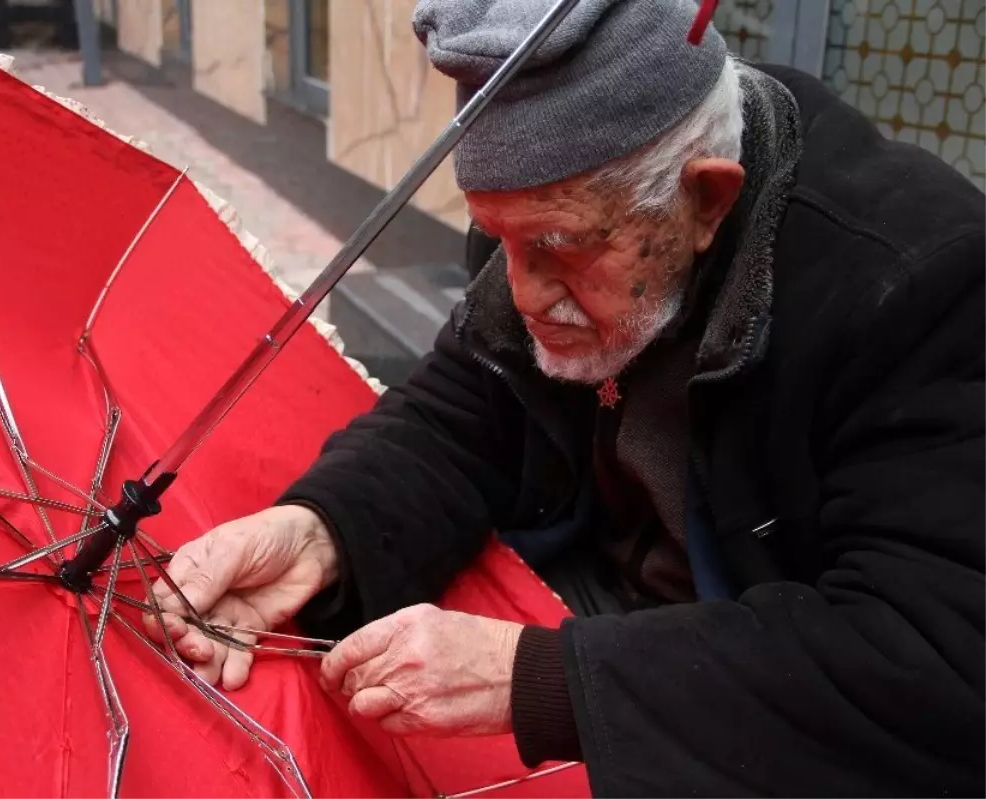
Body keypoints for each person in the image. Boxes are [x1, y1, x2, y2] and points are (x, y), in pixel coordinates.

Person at [147, 0, 986, 795]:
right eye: (494, 235)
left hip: (738, 696)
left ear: (707, 199)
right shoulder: (545, 224)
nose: (522, 291)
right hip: (593, 608)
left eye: (557, 247)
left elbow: (939, 665)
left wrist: (541, 679)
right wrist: (324, 532)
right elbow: (464, 408)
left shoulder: (920, 287)